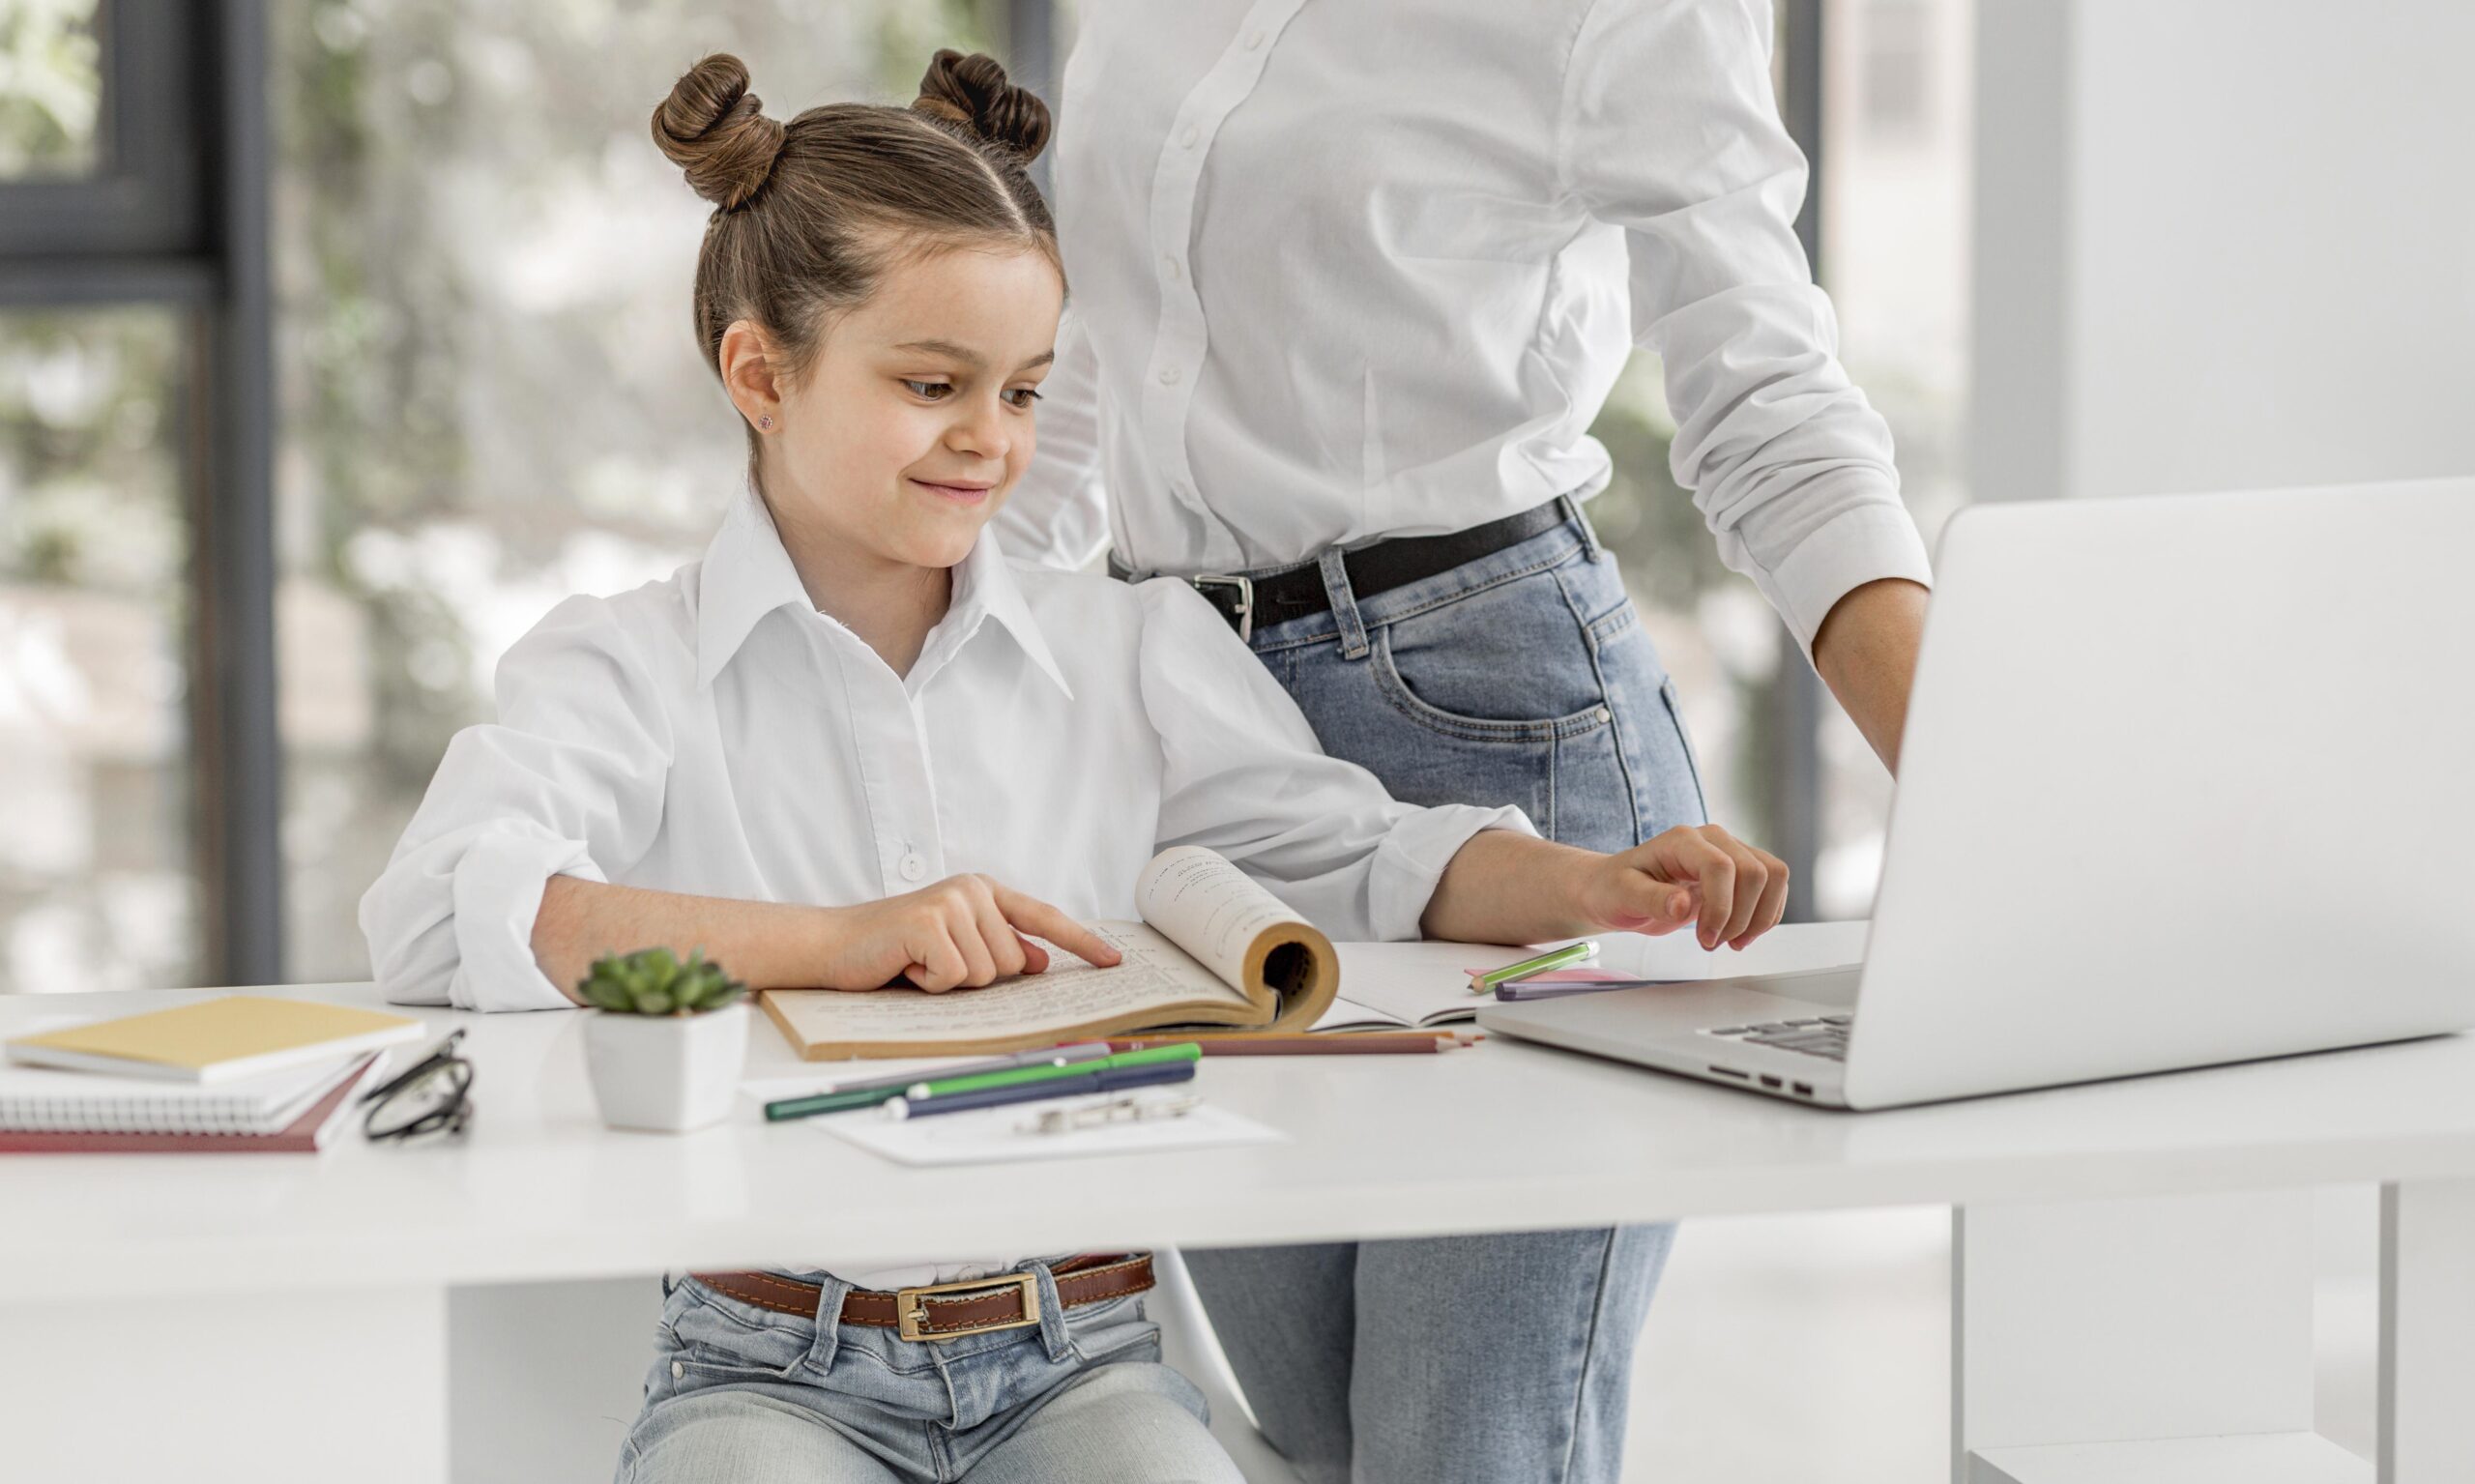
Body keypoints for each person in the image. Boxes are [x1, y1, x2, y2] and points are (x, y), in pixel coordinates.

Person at [358, 50, 1791, 1484]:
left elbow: (1351, 854)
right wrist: (840, 946)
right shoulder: (624, 662)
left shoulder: (1133, 647)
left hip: (1085, 1360)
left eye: (1029, 392)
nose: (991, 440)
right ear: (759, 372)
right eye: (934, 384)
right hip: (762, 1371)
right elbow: (439, 910)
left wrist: (1592, 878)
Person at [991, 3, 1936, 1479]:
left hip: (1499, 725)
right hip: (1187, 749)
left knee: (1461, 1450)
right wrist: (971, 670)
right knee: (1306, 1437)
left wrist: (1984, 794)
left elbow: (1770, 406)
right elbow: (1093, 363)